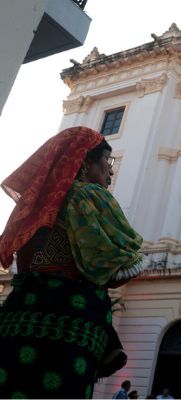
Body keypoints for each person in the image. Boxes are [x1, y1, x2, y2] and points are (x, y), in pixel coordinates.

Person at [0, 127, 144, 398]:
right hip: (67, 322)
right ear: (85, 161)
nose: (110, 171)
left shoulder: (34, 208)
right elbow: (119, 268)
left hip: (18, 315)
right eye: (108, 161)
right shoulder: (88, 196)